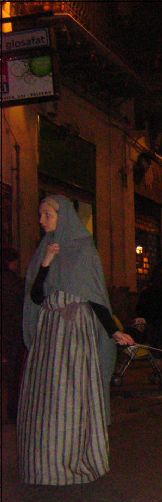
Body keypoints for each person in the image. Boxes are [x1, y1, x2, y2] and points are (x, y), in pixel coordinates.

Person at [19, 195, 134, 485]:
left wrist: (113, 330)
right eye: (41, 214)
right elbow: (35, 297)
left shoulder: (84, 251)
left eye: (47, 214)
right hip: (49, 334)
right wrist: (46, 264)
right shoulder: (43, 249)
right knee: (46, 398)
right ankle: (46, 464)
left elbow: (95, 299)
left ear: (63, 217)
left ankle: (76, 459)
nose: (41, 220)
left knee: (71, 395)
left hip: (75, 334)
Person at [1, 247, 25, 424]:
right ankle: (13, 409)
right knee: (13, 373)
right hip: (12, 332)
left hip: (7, 331)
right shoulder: (14, 283)